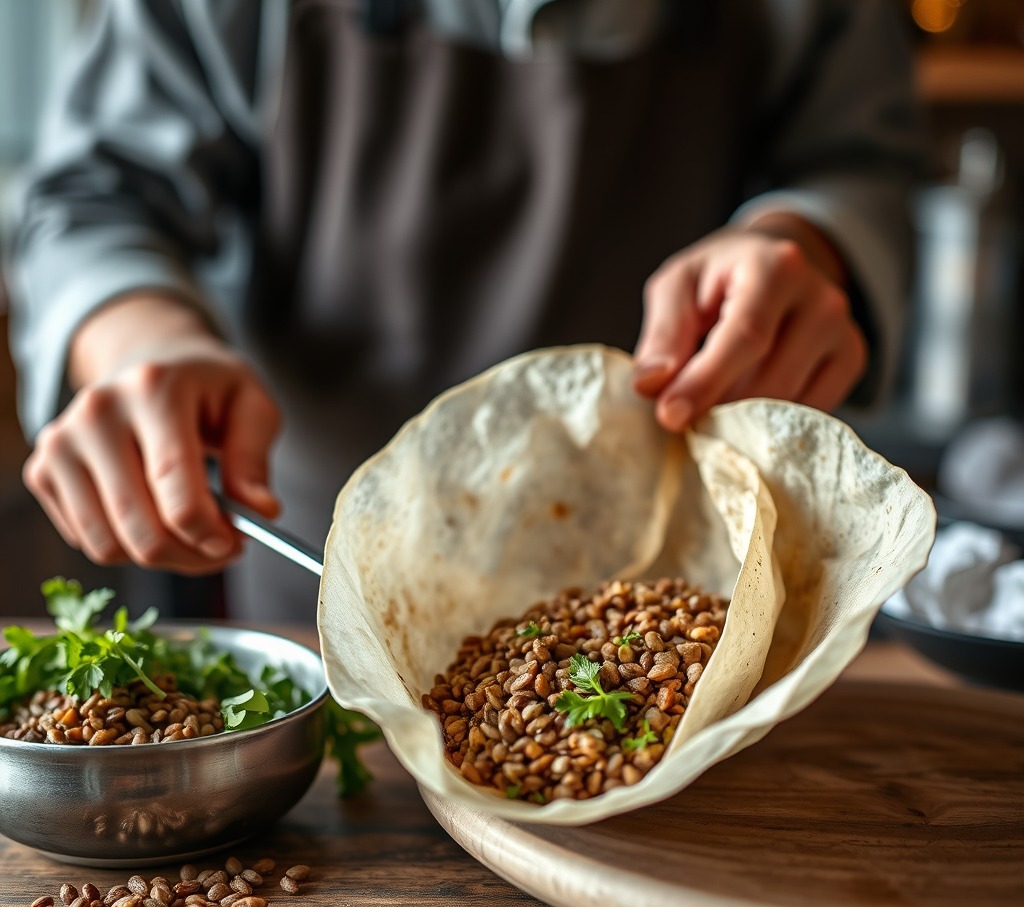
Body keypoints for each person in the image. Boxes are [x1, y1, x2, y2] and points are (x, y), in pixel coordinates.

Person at [7, 0, 923, 621]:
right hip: (318, 577)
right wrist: (137, 341)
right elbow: (94, 199)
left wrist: (808, 244)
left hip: (677, 582)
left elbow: (860, 159)